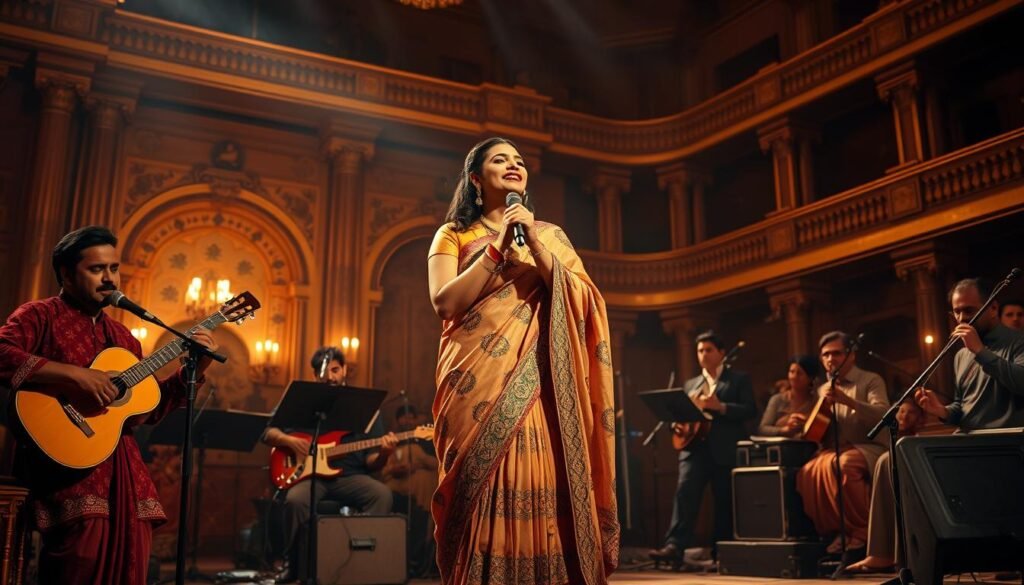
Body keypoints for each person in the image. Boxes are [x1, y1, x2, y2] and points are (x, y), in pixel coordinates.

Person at [427, 137, 618, 585]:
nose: (514, 165)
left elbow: (584, 299)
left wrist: (532, 240)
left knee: (541, 478)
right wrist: (496, 250)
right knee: (479, 485)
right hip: (472, 380)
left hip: (536, 382)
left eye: (518, 160)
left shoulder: (549, 235)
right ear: (476, 179)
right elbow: (445, 303)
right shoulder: (453, 234)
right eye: (500, 159)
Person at [0, 226, 219, 584]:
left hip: (122, 467)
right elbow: (2, 354)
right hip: (66, 465)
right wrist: (74, 376)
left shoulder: (124, 339)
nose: (109, 278)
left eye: (114, 269)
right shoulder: (38, 315)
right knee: (82, 553)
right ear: (67, 274)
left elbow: (146, 410)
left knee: (138, 546)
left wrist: (194, 370)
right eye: (97, 269)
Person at [849, 277, 1024, 573]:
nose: (961, 318)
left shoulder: (1016, 342)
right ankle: (888, 555)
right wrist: (941, 410)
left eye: (969, 310)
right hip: (966, 439)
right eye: (956, 312)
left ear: (993, 307)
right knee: (889, 459)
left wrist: (981, 351)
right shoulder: (960, 356)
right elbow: (963, 407)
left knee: (902, 455)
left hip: (1003, 440)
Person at [262, 347, 399, 582]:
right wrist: (289, 441)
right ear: (316, 375)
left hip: (350, 476)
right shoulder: (302, 399)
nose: (331, 375)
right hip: (309, 476)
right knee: (296, 501)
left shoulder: (366, 408)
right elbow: (267, 431)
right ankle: (293, 564)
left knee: (381, 494)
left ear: (345, 370)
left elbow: (371, 462)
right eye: (325, 371)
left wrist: (385, 454)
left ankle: (360, 558)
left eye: (336, 369)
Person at [648, 331, 756, 566]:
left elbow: (750, 410)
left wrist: (722, 406)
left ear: (721, 353)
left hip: (724, 449)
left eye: (708, 350)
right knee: (684, 494)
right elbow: (681, 417)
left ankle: (723, 552)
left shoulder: (738, 379)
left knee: (724, 500)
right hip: (694, 449)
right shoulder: (691, 384)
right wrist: (676, 424)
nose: (703, 355)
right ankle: (674, 547)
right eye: (700, 350)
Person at [758, 355, 821, 437]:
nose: (794, 377)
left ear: (810, 378)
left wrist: (806, 422)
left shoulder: (817, 400)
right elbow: (762, 429)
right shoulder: (778, 399)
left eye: (800, 373)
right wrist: (784, 430)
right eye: (792, 372)